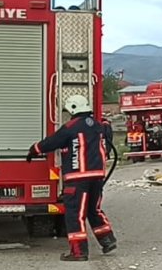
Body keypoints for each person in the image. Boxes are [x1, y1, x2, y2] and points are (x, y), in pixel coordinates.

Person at [27, 94, 116, 261]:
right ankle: (107, 240)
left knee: (75, 214)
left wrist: (34, 149)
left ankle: (78, 252)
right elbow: (107, 133)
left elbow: (51, 142)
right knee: (93, 210)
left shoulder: (70, 127)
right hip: (97, 176)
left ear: (72, 108)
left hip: (78, 178)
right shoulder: (97, 125)